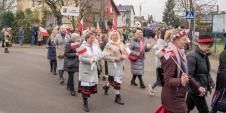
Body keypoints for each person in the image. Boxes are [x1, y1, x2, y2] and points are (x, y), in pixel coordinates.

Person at [160, 29, 206, 113]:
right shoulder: (172, 57)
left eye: (187, 39)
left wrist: (198, 87)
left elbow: (186, 75)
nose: (187, 42)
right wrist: (180, 81)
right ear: (176, 40)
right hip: (172, 97)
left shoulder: (181, 53)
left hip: (179, 94)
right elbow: (167, 80)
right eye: (184, 40)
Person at [186, 34, 215, 113]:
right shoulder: (192, 56)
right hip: (197, 90)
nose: (210, 49)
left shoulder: (204, 55)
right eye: (209, 46)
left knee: (186, 108)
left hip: (197, 89)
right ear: (201, 45)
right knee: (204, 111)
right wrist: (198, 87)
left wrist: (212, 84)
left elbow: (206, 72)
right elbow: (189, 75)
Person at [78, 31, 102, 112]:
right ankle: (85, 103)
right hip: (85, 70)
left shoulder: (95, 46)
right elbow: (80, 58)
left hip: (93, 70)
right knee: (85, 88)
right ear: (87, 38)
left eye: (93, 38)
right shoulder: (82, 47)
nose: (93, 40)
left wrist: (96, 59)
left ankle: (85, 99)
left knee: (89, 89)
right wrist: (90, 60)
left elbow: (100, 54)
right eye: (91, 38)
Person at [102, 30, 127, 105]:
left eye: (116, 35)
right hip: (113, 66)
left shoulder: (121, 43)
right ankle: (117, 97)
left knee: (112, 80)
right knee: (117, 81)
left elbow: (125, 52)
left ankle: (106, 87)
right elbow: (104, 55)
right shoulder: (108, 45)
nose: (115, 36)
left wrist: (124, 56)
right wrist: (114, 58)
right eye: (113, 35)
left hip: (121, 65)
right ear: (110, 36)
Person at [211, 33, 226, 113]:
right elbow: (223, 71)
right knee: (216, 102)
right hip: (222, 84)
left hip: (222, 84)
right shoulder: (224, 53)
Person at [149, 29, 167, 95]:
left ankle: (153, 87)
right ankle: (152, 87)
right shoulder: (160, 41)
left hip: (166, 63)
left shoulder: (165, 41)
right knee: (161, 79)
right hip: (160, 63)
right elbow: (161, 52)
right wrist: (167, 48)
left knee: (164, 79)